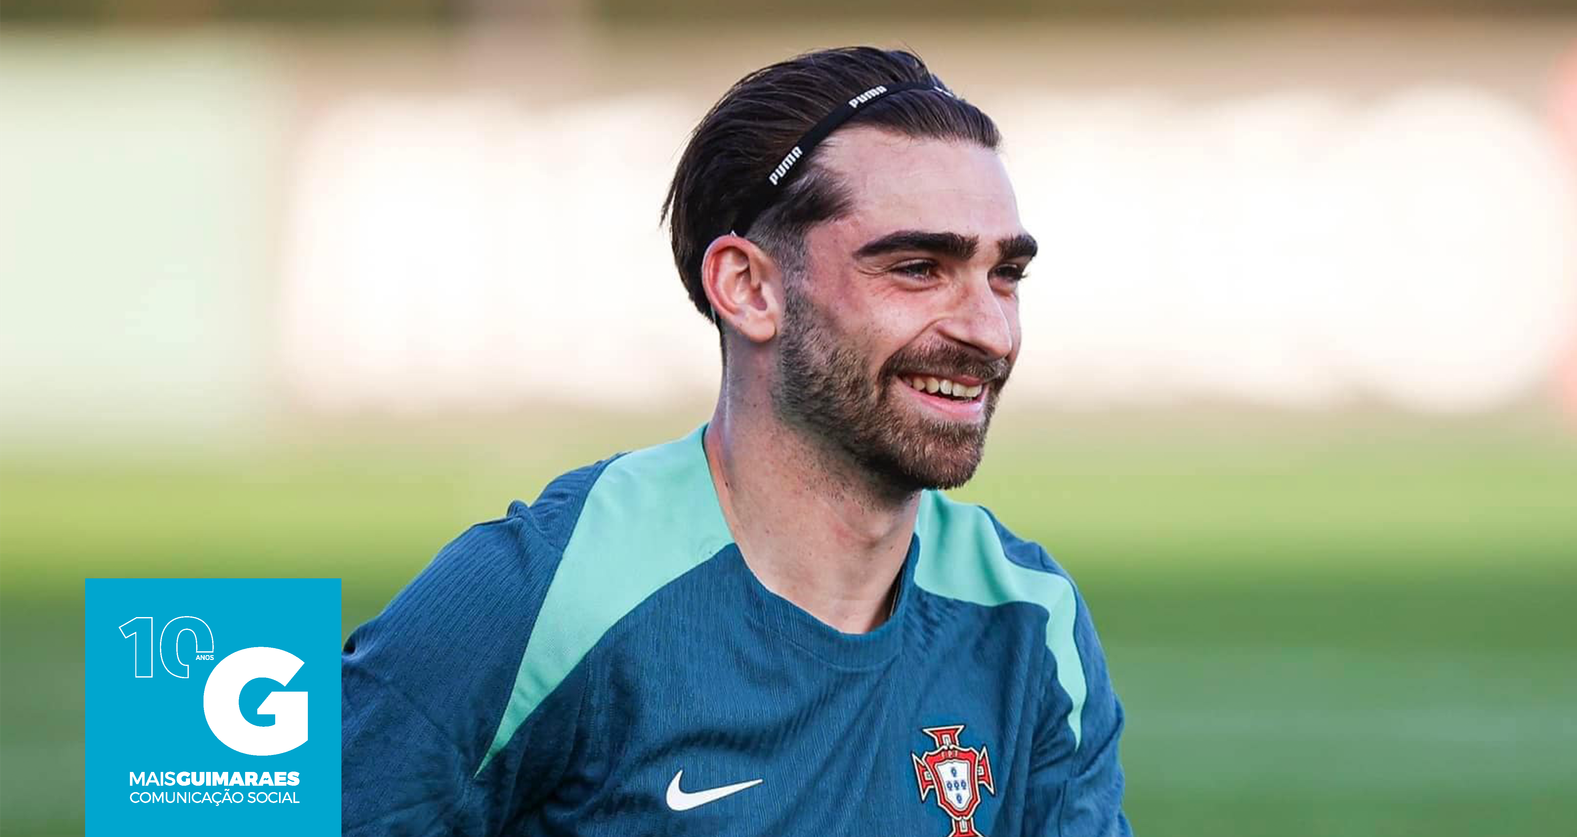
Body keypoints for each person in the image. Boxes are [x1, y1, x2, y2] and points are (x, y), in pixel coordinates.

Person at [341, 45, 1131, 837]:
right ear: (748, 288)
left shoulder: (1031, 616)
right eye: (919, 268)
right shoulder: (546, 589)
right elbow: (260, 789)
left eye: (1005, 275)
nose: (990, 330)